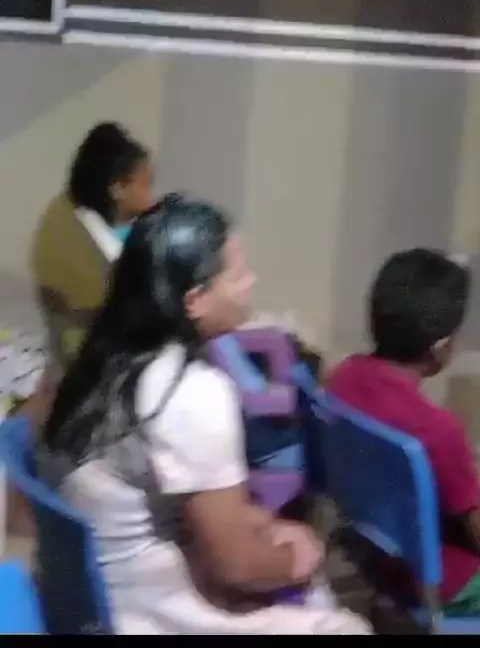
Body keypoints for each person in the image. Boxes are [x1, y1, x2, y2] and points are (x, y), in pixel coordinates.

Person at [39, 195, 371, 635]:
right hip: (141, 611)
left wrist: (264, 528)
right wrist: (299, 556)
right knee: (343, 625)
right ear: (195, 300)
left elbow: (176, 502)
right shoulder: (190, 392)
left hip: (95, 591)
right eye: (239, 273)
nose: (252, 282)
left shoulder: (99, 362)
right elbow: (237, 566)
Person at [329, 248, 480, 616]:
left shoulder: (345, 377)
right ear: (441, 347)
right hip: (443, 579)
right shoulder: (438, 429)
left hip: (375, 553)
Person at [32, 122, 154, 375]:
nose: (152, 198)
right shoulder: (86, 263)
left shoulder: (69, 205)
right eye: (145, 185)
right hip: (89, 365)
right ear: (117, 189)